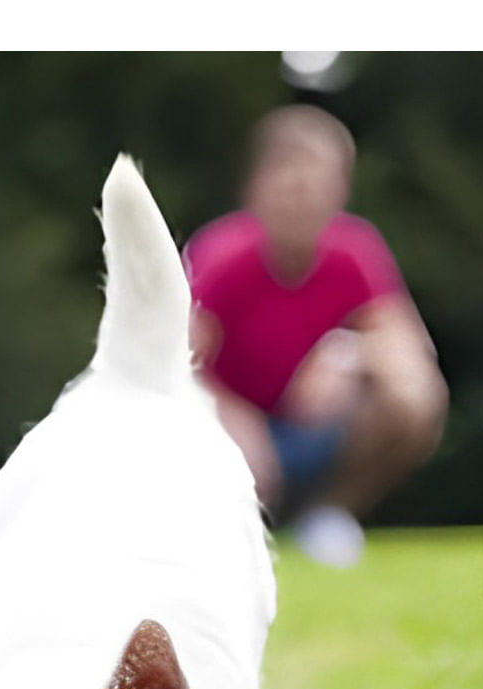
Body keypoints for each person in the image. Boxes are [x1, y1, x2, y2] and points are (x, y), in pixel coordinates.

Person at [183, 105, 448, 567]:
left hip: (314, 435)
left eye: (315, 177)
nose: (300, 192)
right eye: (287, 174)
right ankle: (226, 527)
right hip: (231, 439)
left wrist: (349, 355)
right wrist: (230, 416)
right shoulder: (220, 255)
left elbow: (410, 348)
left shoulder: (356, 251)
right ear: (256, 185)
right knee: (235, 463)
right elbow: (172, 366)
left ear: (341, 188)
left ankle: (325, 516)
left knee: (414, 394)